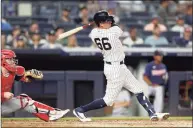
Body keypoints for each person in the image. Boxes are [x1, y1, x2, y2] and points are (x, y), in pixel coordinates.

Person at [73, 10, 170, 122]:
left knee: (138, 89)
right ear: (101, 23)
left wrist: (101, 20)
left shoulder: (94, 33)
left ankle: (152, 113)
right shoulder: (113, 31)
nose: (109, 22)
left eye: (109, 20)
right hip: (114, 69)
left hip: (119, 67)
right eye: (106, 21)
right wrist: (109, 20)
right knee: (108, 100)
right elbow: (116, 26)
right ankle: (80, 110)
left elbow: (103, 26)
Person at [1, 49, 70, 121]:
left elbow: (26, 79)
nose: (13, 61)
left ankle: (51, 114)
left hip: (2, 104)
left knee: (24, 100)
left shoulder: (13, 72)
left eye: (13, 59)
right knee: (23, 100)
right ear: (2, 60)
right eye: (9, 59)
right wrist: (3, 94)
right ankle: (52, 113)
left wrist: (30, 75)